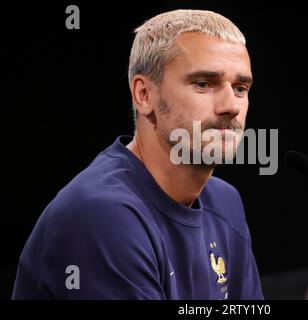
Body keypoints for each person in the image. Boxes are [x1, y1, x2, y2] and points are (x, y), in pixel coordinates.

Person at [12, 9, 263, 299]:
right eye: (203, 84)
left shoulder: (225, 202)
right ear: (144, 95)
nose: (231, 106)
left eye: (240, 88)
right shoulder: (103, 214)